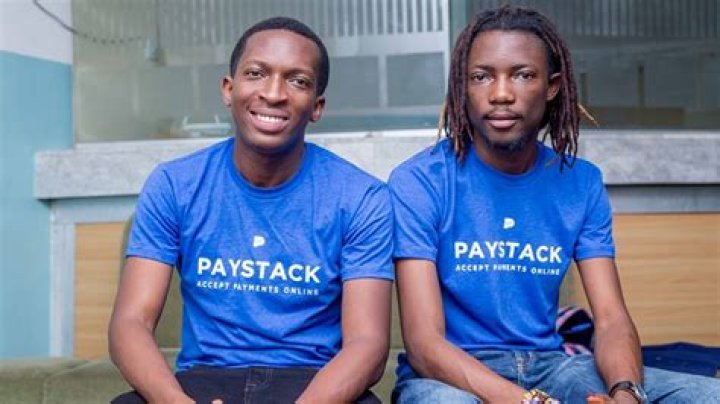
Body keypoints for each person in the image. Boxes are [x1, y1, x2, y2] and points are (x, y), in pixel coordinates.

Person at [388, 5, 720, 404]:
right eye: (482, 76)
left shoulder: (581, 183)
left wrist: (626, 393)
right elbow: (424, 344)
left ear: (552, 85)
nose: (501, 94)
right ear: (464, 86)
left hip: (550, 366)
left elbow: (611, 320)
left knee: (707, 394)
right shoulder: (420, 181)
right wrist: (529, 402)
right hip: (450, 375)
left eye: (523, 75)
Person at [109, 16, 393, 404]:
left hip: (313, 384)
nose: (273, 93)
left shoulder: (362, 198)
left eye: (297, 81)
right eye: (256, 73)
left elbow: (368, 344)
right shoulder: (175, 184)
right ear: (229, 89)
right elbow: (131, 322)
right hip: (203, 381)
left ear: (317, 106)